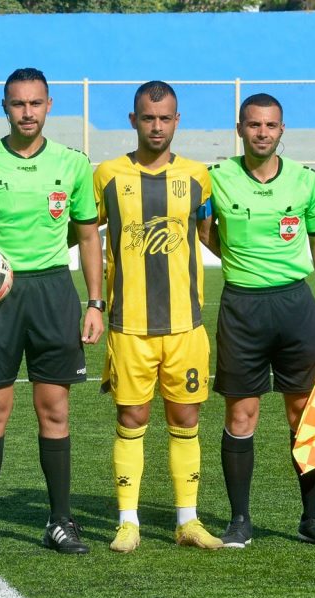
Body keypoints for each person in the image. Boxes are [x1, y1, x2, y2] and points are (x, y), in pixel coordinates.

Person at [0, 67, 104, 555]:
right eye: (18, 104)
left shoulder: (74, 164)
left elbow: (89, 238)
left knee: (55, 409)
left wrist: (95, 303)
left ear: (49, 106)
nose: (27, 112)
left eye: (35, 103)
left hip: (53, 292)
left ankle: (60, 522)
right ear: (5, 108)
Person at [207, 93, 315, 548]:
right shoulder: (216, 179)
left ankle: (313, 518)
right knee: (241, 414)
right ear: (240, 129)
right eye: (254, 125)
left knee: (303, 412)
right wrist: (239, 258)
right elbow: (203, 229)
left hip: (294, 306)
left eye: (270, 125)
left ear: (282, 129)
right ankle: (239, 521)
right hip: (242, 308)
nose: (262, 133)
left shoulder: (306, 180)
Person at [93, 81, 222, 553]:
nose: (157, 126)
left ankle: (188, 520)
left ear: (177, 120)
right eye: (148, 118)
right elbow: (82, 234)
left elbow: (208, 233)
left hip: (186, 325)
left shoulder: (198, 176)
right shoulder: (107, 175)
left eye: (165, 118)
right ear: (133, 120)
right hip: (129, 326)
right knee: (132, 417)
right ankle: (128, 521)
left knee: (186, 418)